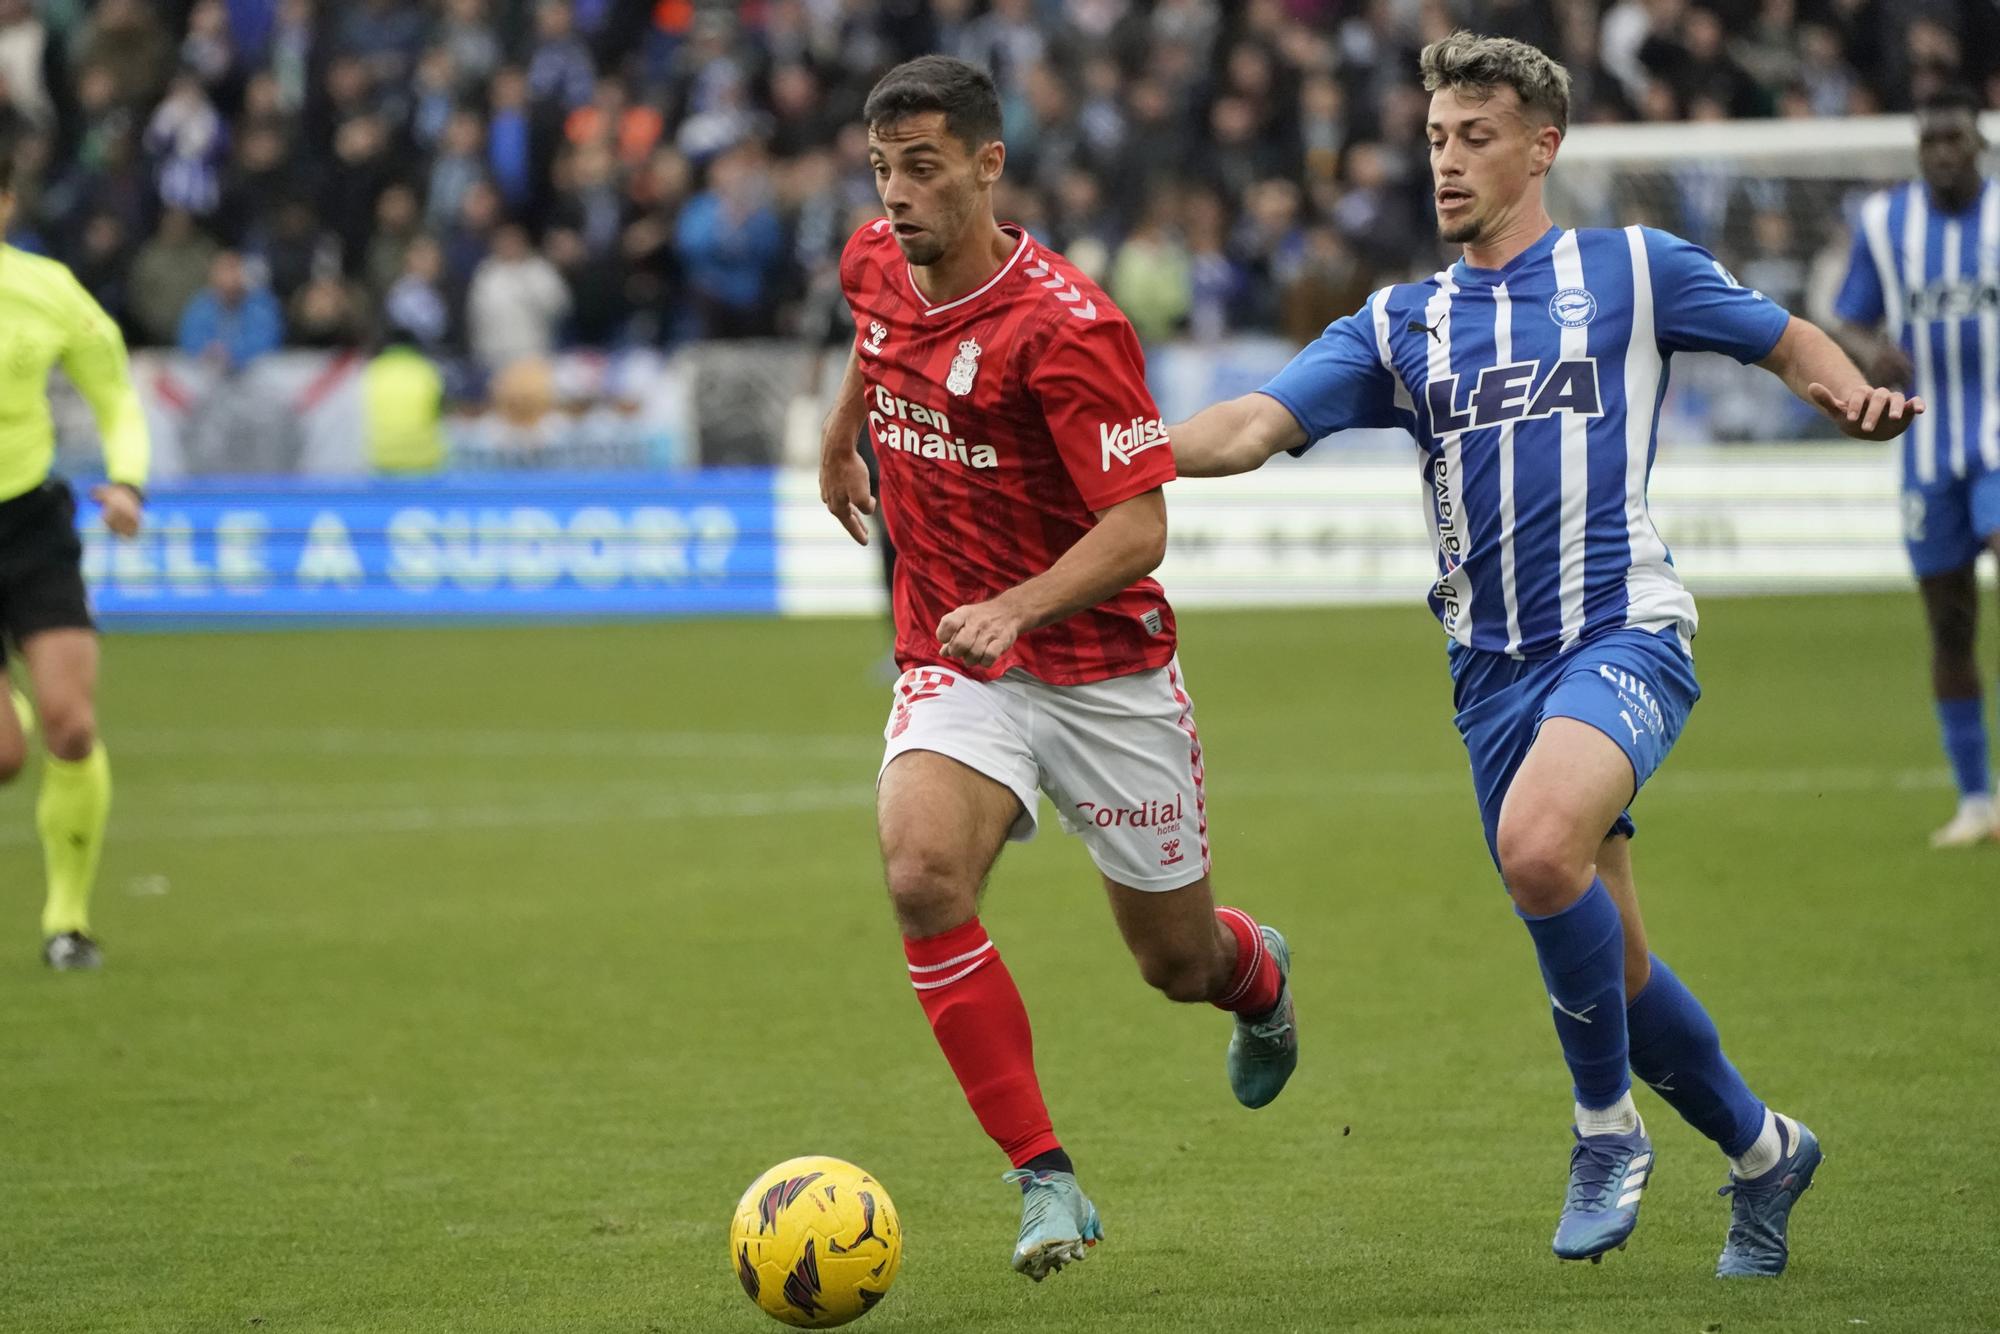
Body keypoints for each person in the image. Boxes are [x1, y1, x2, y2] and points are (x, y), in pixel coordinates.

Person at [1166, 33, 1921, 1278]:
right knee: (1611, 962)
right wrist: (1115, 446)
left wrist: (1844, 392)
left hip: (1623, 626)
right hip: (1489, 677)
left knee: (1534, 846)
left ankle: (1602, 1129)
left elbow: (1784, 337)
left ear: (1541, 146)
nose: (1445, 163)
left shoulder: (1632, 266)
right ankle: (1762, 1148)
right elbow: (1248, 424)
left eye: (1473, 137)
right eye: (1432, 140)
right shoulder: (1399, 321)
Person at [818, 55, 1298, 1283]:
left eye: (921, 167)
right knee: (921, 870)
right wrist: (840, 444)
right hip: (956, 659)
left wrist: (1016, 605)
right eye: (882, 169)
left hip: (1100, 674)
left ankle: (1256, 976)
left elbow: (1139, 526)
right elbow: (874, 347)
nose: (897, 195)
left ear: (987, 165)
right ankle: (1043, 1175)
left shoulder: (1068, 327)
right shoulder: (875, 259)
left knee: (1172, 963)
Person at [1832, 86, 1999, 848]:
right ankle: (1976, 802)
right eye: (1928, 140)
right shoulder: (1883, 222)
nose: (1940, 153)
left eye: (1953, 139)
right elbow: (1851, 315)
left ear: (1980, 145)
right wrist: (1871, 354)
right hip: (1928, 452)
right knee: (1950, 624)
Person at [0, 142, 149, 969]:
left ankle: (68, 920)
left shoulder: (46, 290)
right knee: (4, 756)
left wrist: (128, 483)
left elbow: (115, 391)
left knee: (72, 724)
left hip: (29, 524)